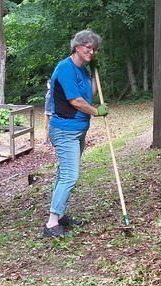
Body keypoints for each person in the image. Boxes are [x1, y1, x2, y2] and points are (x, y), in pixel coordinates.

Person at [43, 29, 108, 238]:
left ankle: (59, 215)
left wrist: (95, 77)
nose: (91, 52)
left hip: (78, 131)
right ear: (77, 47)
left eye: (94, 49)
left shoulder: (83, 70)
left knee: (64, 174)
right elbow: (76, 101)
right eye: (88, 48)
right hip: (64, 130)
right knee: (71, 175)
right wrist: (97, 112)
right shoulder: (65, 68)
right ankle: (51, 223)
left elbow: (89, 95)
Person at [43, 80, 51, 145]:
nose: (47, 85)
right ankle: (45, 140)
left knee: (51, 127)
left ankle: (52, 141)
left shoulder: (54, 92)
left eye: (48, 84)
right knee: (46, 126)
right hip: (46, 111)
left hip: (51, 112)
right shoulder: (48, 92)